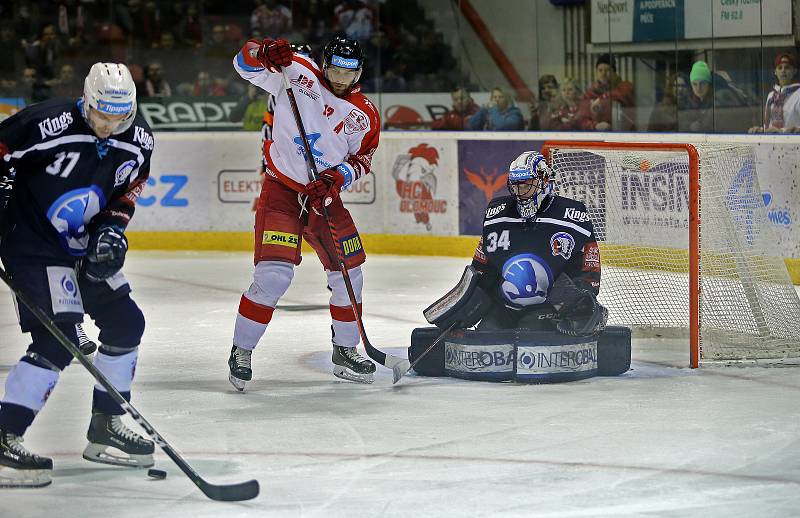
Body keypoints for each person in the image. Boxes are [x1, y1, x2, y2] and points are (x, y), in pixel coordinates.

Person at [0, 63, 156, 488]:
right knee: (58, 337)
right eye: (101, 114)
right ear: (86, 100)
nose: (109, 125)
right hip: (33, 244)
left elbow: (126, 192)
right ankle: (4, 433)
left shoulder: (138, 140)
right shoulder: (43, 123)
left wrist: (111, 232)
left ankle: (106, 423)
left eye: (119, 117)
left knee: (127, 324)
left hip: (83, 243)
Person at [229, 34, 381, 388]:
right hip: (282, 190)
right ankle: (241, 349)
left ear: (360, 72)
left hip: (323, 198)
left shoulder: (366, 114)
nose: (341, 79)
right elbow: (243, 62)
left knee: (350, 273)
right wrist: (263, 49)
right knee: (273, 276)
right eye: (335, 70)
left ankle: (345, 350)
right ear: (324, 65)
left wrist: (335, 178)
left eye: (350, 72)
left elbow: (362, 160)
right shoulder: (294, 72)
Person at [435, 151, 605, 335]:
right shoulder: (496, 215)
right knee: (486, 337)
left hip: (548, 309)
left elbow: (588, 269)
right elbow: (482, 268)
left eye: (527, 187)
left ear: (544, 182)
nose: (520, 193)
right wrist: (467, 303)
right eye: (515, 187)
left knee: (531, 337)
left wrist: (579, 301)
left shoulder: (572, 216)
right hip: (504, 307)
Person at [577, 53, 635, 131]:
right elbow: (582, 119)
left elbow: (624, 94)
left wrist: (602, 99)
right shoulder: (589, 94)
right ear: (596, 72)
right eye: (600, 70)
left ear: (614, 73)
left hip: (623, 134)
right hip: (597, 137)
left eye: (607, 70)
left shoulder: (625, 87)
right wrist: (595, 126)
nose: (603, 74)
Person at [749, 53, 800, 134]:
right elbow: (769, 125)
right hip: (773, 144)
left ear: (794, 71)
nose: (783, 70)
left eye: (787, 68)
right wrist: (761, 130)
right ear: (775, 72)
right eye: (780, 68)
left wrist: (782, 131)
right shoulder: (771, 96)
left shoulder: (798, 94)